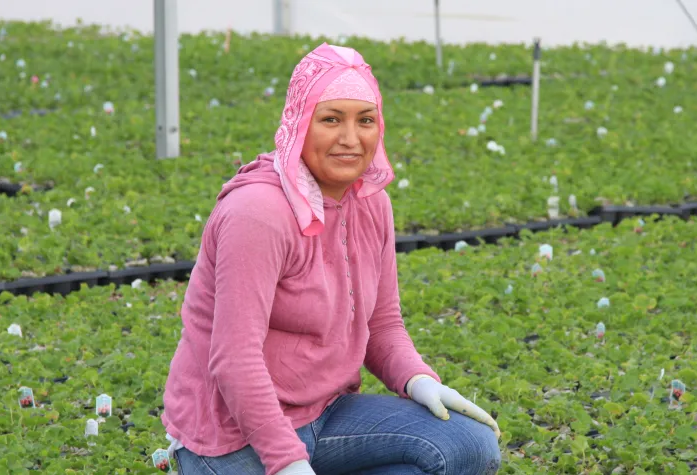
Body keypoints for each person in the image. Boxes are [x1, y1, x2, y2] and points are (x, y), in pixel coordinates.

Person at [160, 43, 502, 475]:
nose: (350, 139)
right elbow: (235, 358)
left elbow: (383, 324)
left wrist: (419, 380)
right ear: (300, 122)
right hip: (233, 436)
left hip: (327, 414)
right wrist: (286, 462)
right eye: (330, 119)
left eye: (365, 120)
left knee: (471, 446)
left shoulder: (372, 204)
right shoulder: (258, 213)